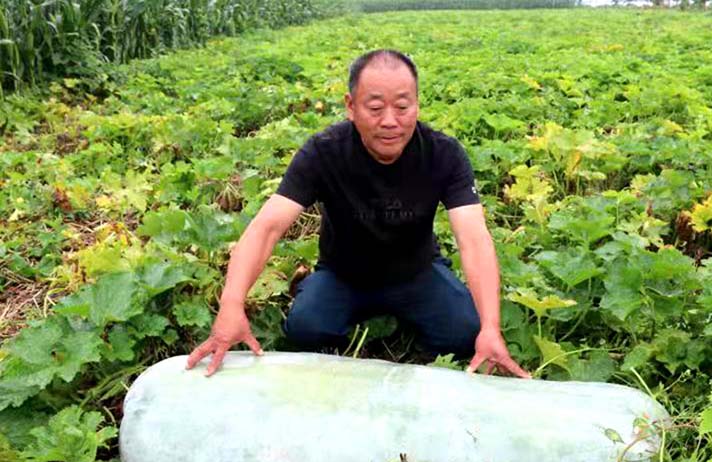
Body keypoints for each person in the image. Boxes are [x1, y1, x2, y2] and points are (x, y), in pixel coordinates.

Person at [186, 49, 529, 379]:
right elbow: (267, 228)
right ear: (351, 106)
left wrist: (490, 327)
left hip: (417, 272)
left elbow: (474, 240)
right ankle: (324, 299)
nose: (390, 121)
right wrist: (231, 305)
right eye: (375, 107)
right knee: (305, 330)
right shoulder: (323, 152)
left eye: (403, 106)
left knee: (466, 334)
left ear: (417, 104)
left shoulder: (444, 154)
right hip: (343, 274)